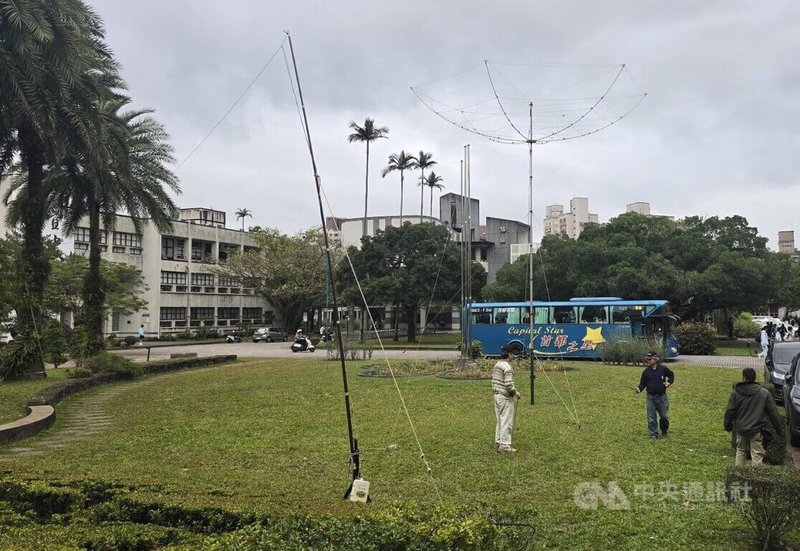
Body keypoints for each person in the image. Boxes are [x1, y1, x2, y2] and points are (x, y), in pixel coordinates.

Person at [724, 367, 784, 467]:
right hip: (756, 429)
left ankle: (738, 473)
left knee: (740, 451)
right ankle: (756, 475)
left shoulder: (736, 393)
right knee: (757, 454)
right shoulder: (764, 393)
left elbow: (730, 410)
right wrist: (779, 430)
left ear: (744, 378)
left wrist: (728, 425)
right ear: (754, 378)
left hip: (741, 428)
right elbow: (773, 413)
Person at [635, 351, 675, 438]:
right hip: (651, 398)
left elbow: (671, 374)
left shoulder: (663, 369)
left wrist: (669, 382)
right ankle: (654, 434)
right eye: (647, 359)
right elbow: (643, 383)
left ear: (655, 359)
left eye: (650, 359)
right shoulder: (646, 372)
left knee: (664, 417)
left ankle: (664, 430)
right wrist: (639, 389)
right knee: (651, 417)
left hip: (662, 397)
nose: (648, 361)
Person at [492, 346, 521, 453]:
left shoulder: (497, 364)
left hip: (496, 395)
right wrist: (516, 393)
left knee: (499, 420)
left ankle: (498, 441)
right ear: (509, 354)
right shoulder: (508, 367)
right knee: (506, 420)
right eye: (512, 354)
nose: (513, 356)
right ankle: (504, 445)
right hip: (504, 397)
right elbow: (508, 385)